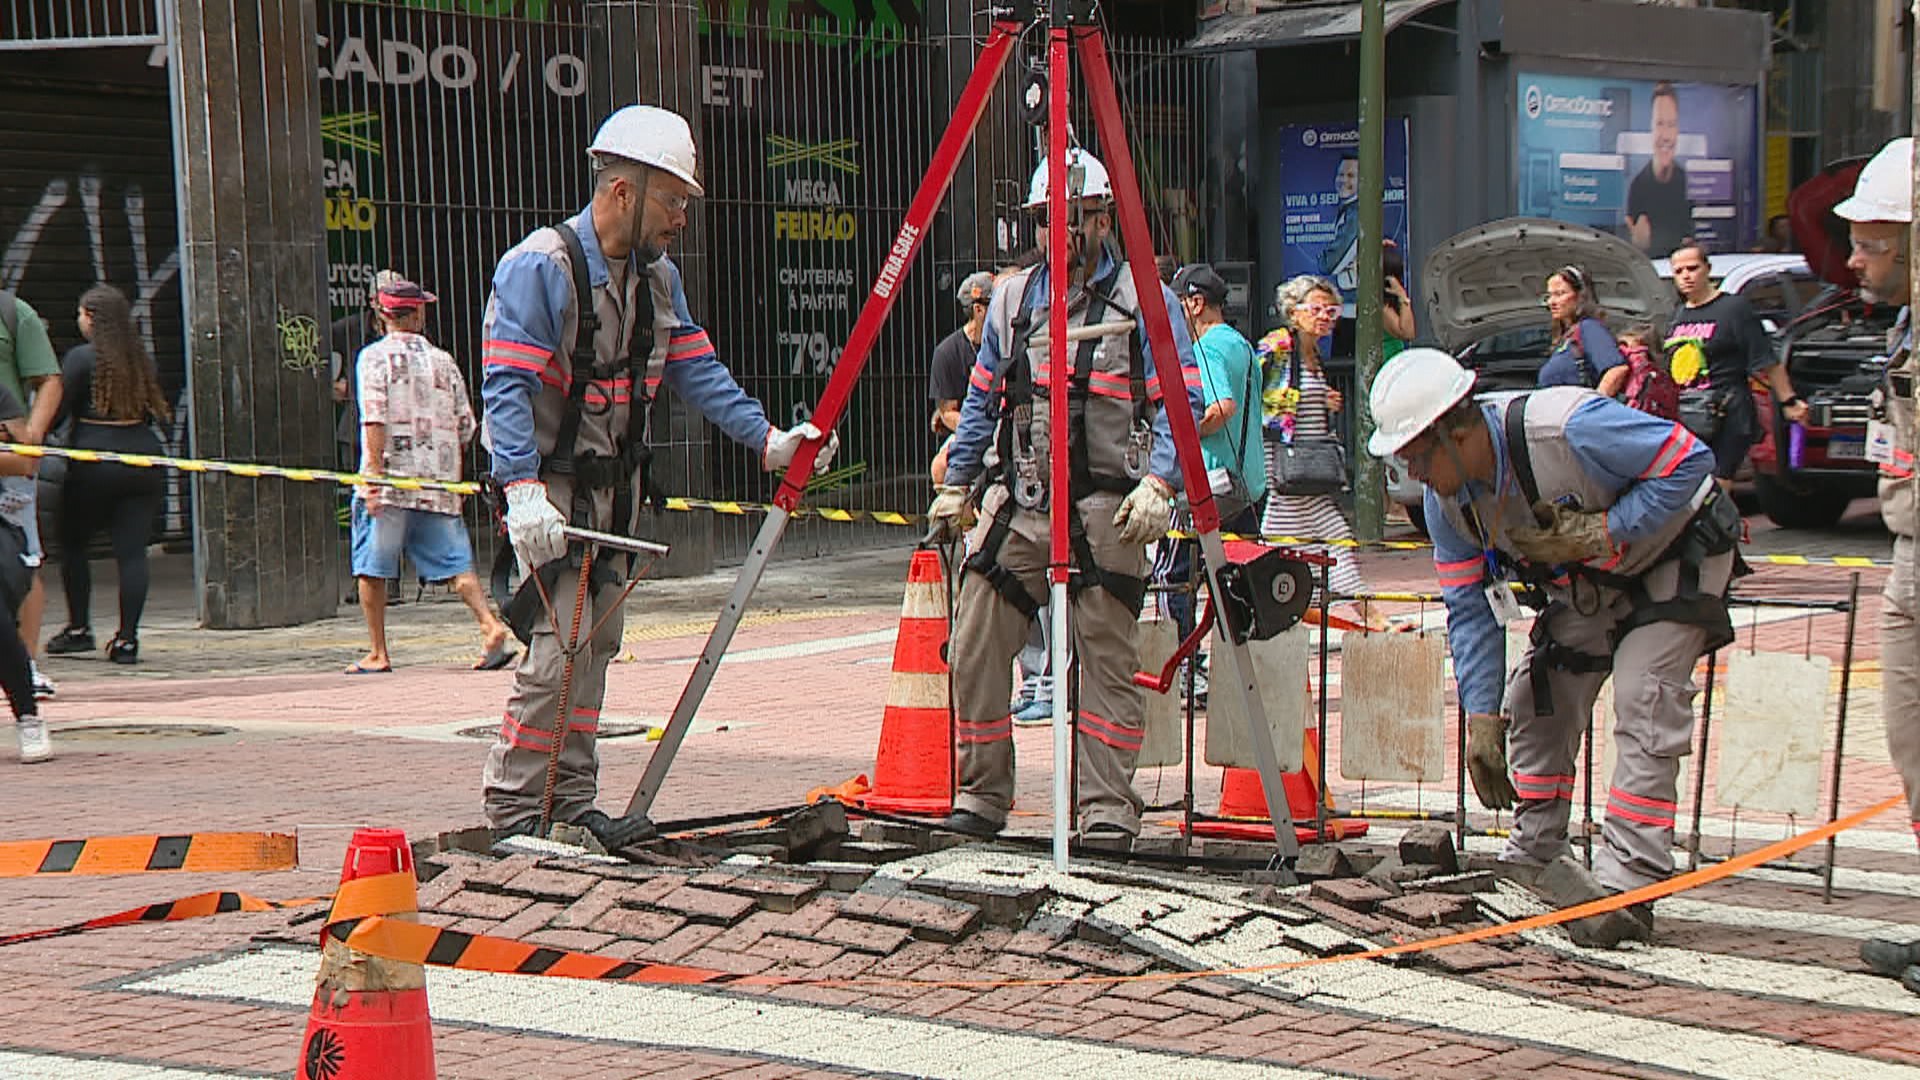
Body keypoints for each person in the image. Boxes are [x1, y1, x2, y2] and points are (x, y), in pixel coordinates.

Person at [480, 104, 837, 849]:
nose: (681, 215)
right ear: (622, 192)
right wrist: (518, 487)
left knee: (592, 653)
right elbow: (506, 388)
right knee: (554, 655)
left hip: (613, 503)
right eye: (673, 199)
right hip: (555, 500)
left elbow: (696, 372)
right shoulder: (541, 268)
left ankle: (570, 805)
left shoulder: (656, 281)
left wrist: (767, 439)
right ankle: (517, 814)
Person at [1370, 346, 1738, 948]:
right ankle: (1536, 854)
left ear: (1457, 431)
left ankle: (1628, 889)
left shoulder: (1567, 427)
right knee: (1537, 698)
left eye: (1416, 455)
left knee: (1646, 695)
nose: (1413, 474)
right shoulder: (1448, 509)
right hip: (1594, 584)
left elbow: (1690, 463)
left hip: (1676, 557)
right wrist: (1482, 718)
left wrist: (1605, 530)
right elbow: (1471, 611)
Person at [924, 146, 1204, 850]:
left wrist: (1161, 484)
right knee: (976, 641)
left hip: (1110, 506)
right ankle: (982, 793)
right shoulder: (1014, 300)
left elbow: (1182, 399)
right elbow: (983, 398)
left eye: (1079, 220)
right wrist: (958, 482)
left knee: (1105, 658)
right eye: (1053, 221)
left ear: (1105, 218)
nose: (1065, 235)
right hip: (1022, 506)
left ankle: (1106, 808)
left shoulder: (1146, 299)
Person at [1833, 136, 1920, 996]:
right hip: (1909, 553)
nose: (1854, 257)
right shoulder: (1903, 323)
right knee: (1912, 751)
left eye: (1872, 241)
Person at [346, 276, 514, 676]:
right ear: (418, 312)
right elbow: (466, 424)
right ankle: (490, 627)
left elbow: (374, 418)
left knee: (373, 567)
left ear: (382, 315)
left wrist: (372, 476)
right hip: (437, 484)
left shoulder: (373, 358)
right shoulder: (444, 362)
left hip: (390, 483)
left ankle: (378, 651)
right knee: (458, 567)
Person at [40, 286, 167, 666]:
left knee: (73, 543)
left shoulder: (81, 359)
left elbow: (59, 412)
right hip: (143, 459)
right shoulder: (141, 358)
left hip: (93, 462)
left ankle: (79, 629)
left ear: (91, 318)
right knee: (132, 552)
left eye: (81, 314)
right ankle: (128, 639)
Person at [1260, 274, 1384, 630]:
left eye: (1332, 310)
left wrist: (1324, 401)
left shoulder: (1315, 355)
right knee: (1290, 555)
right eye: (1316, 309)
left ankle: (1367, 618)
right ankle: (1292, 624)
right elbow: (1253, 385)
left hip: (1307, 478)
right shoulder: (1279, 346)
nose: (1325, 317)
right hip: (1286, 473)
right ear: (1294, 312)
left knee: (1334, 544)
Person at [1154, 263, 1263, 644]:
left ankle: (1185, 665)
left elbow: (1221, 406)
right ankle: (1232, 672)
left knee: (1172, 579)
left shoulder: (1205, 348)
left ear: (1196, 304)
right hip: (1248, 486)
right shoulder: (1243, 347)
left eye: (1177, 303)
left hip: (1209, 487)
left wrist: (1177, 434)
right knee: (1233, 587)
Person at [1665, 242, 1807, 489]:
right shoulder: (1679, 315)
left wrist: (1789, 401)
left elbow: (1765, 359)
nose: (1686, 276)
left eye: (1692, 268)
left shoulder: (1733, 309)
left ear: (1707, 269)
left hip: (1729, 412)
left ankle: (1723, 528)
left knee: (1716, 486)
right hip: (1691, 412)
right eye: (1678, 271)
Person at [0, 288, 64, 700]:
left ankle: (25, 665)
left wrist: (33, 437)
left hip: (8, 457)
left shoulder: (12, 312)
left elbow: (49, 379)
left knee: (23, 559)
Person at [1538, 265, 1628, 396]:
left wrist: (1592, 409)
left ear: (1580, 296)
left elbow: (1617, 370)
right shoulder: (1566, 338)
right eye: (1549, 296)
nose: (1551, 302)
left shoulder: (1589, 328)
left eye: (1559, 294)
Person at [1626, 82, 1693, 256]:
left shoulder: (1686, 182)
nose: (1666, 136)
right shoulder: (1638, 187)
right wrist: (1639, 245)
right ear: (1651, 128)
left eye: (1671, 124)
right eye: (1660, 124)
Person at [929, 271, 995, 439]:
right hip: (969, 435)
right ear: (979, 309)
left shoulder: (1007, 343)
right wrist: (979, 429)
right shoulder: (947, 353)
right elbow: (948, 413)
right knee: (939, 465)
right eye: (997, 304)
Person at [1318, 154, 1361, 293]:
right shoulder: (1349, 208)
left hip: (1354, 298)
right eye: (1340, 174)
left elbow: (1330, 264)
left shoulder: (1356, 213)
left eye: (1350, 175)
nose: (1343, 180)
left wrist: (1323, 260)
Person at [1382, 240, 1416, 359]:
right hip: (1388, 363)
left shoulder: (1388, 302)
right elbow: (1408, 333)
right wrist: (1402, 296)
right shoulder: (1383, 307)